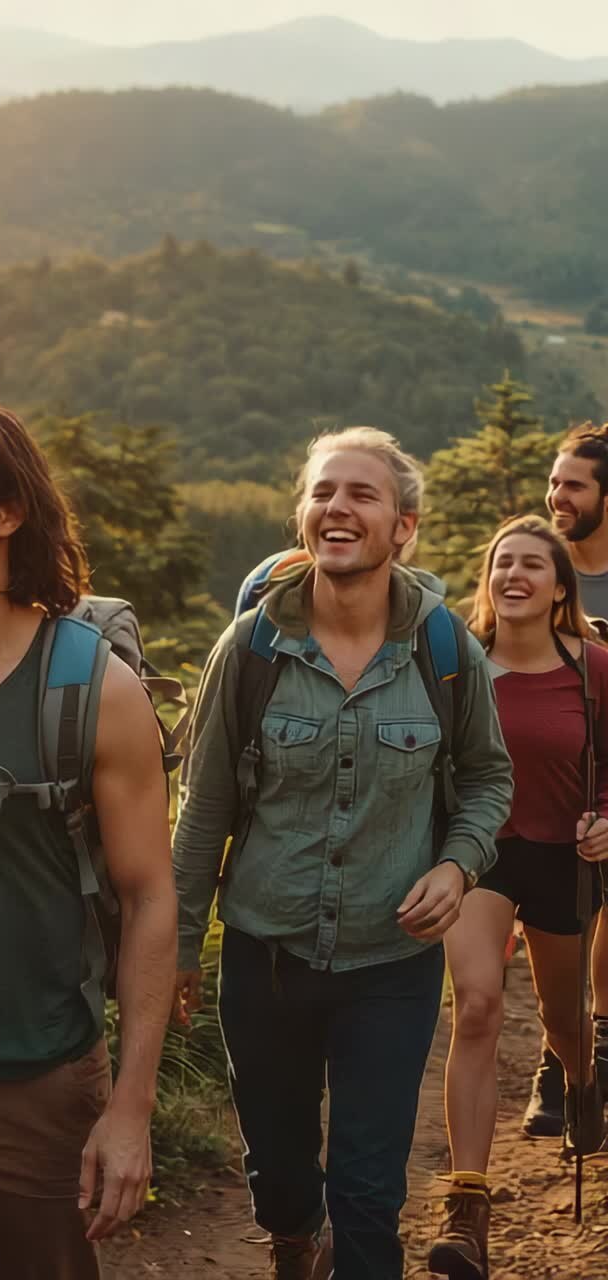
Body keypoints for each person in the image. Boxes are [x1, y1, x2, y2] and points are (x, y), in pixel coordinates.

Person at [172, 427, 512, 1280]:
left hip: (391, 964)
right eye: (325, 492)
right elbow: (203, 811)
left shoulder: (444, 652)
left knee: (368, 1190)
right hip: (266, 955)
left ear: (405, 527)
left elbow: (486, 780)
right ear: (303, 517)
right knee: (280, 1176)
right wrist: (173, 951)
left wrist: (456, 863)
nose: (339, 508)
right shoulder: (248, 650)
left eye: (363, 494)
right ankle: (294, 1243)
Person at [0, 387, 176, 1280]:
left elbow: (149, 896)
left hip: (40, 1088)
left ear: (6, 511)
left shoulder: (94, 690)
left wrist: (129, 1109)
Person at [429, 516, 608, 1280]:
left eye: (533, 564)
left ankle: (581, 1082)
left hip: (563, 859)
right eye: (503, 562)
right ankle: (466, 1207)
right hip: (481, 856)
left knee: (567, 1017)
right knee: (476, 1004)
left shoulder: (594, 667)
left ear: (560, 586)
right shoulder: (456, 667)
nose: (514, 575)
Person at [524, 423, 608, 1137]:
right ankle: (563, 1056)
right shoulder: (542, 567)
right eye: (554, 483)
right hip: (557, 773)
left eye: (573, 485)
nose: (557, 496)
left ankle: (595, 1045)